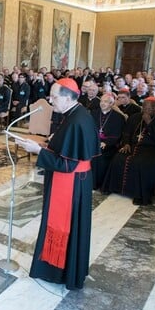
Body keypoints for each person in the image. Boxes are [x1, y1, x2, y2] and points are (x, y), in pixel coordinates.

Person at [15, 78, 99, 290]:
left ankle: (60, 272)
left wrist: (38, 151)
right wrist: (41, 145)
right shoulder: (74, 114)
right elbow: (64, 149)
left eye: (54, 96)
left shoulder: (77, 121)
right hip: (73, 182)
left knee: (66, 227)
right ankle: (59, 269)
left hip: (71, 184)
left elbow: (67, 163)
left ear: (67, 96)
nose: (50, 100)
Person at [102, 97, 155, 205]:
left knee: (141, 164)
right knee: (118, 158)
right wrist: (126, 143)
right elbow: (126, 133)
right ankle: (114, 188)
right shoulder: (135, 117)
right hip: (132, 146)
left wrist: (149, 122)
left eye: (150, 108)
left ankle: (140, 195)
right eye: (145, 108)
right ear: (142, 107)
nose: (147, 110)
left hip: (153, 149)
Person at [91, 93, 125, 190]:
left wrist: (106, 143)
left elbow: (117, 135)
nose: (102, 103)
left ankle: (98, 183)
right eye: (101, 101)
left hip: (109, 145)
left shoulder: (118, 117)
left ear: (111, 104)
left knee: (99, 157)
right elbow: (88, 129)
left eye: (105, 102)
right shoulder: (93, 113)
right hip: (93, 142)